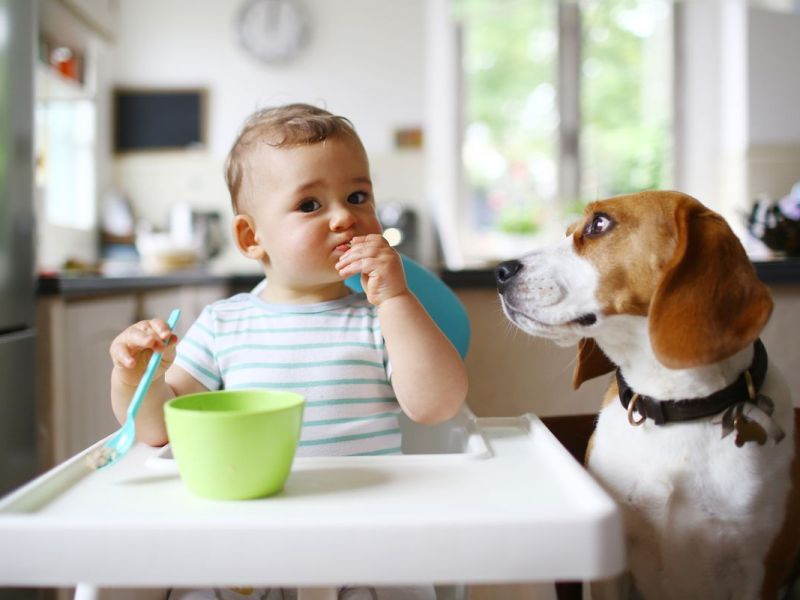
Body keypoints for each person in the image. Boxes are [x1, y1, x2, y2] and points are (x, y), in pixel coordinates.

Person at [108, 103, 469, 599]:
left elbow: (438, 405)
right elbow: (157, 430)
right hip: (249, 547)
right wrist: (135, 377)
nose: (345, 217)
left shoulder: (382, 320)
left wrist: (396, 298)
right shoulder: (223, 323)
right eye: (310, 205)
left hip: (361, 541)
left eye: (357, 195)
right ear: (251, 237)